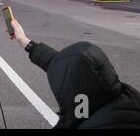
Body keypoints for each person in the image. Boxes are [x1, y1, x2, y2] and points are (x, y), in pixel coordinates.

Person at [10, 18, 140, 128]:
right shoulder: (120, 96)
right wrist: (26, 43)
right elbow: (62, 65)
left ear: (73, 95)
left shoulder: (91, 122)